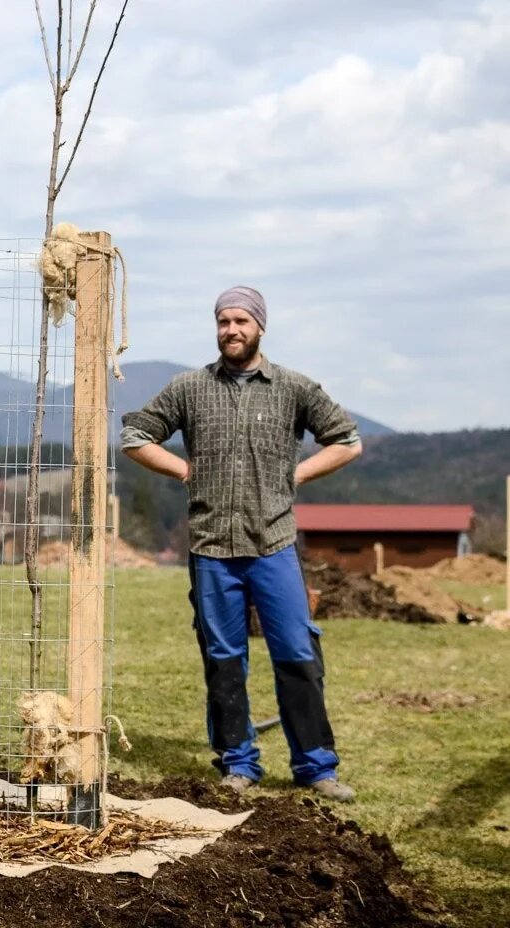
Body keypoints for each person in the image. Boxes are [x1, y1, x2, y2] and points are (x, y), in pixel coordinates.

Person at [120, 286, 362, 801]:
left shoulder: (294, 388)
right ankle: (238, 762)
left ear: (260, 327)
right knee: (224, 658)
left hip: (274, 544)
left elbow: (346, 441)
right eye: (224, 321)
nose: (232, 330)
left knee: (297, 653)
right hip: (212, 550)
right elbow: (135, 436)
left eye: (241, 321)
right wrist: (185, 469)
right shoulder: (189, 389)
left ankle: (316, 766)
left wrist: (296, 475)